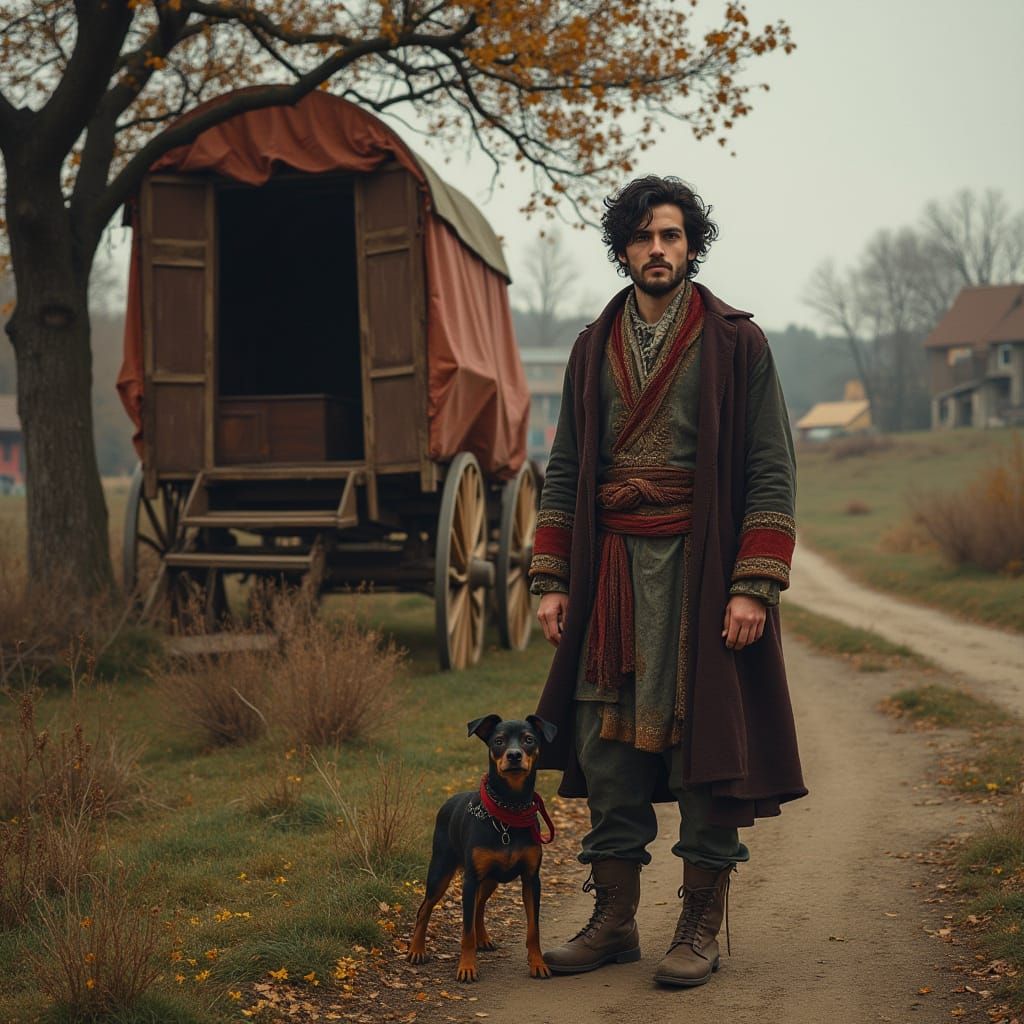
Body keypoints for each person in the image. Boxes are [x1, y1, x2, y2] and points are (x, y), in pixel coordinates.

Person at [528, 175, 806, 988]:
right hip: (611, 574)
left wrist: (753, 583)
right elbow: (566, 468)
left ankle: (698, 926)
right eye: (645, 236)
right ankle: (614, 922)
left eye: (673, 236)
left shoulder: (737, 342)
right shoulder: (591, 345)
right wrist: (552, 577)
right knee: (603, 752)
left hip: (703, 568)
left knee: (703, 755)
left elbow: (770, 470)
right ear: (623, 247)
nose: (658, 249)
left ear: (693, 246)